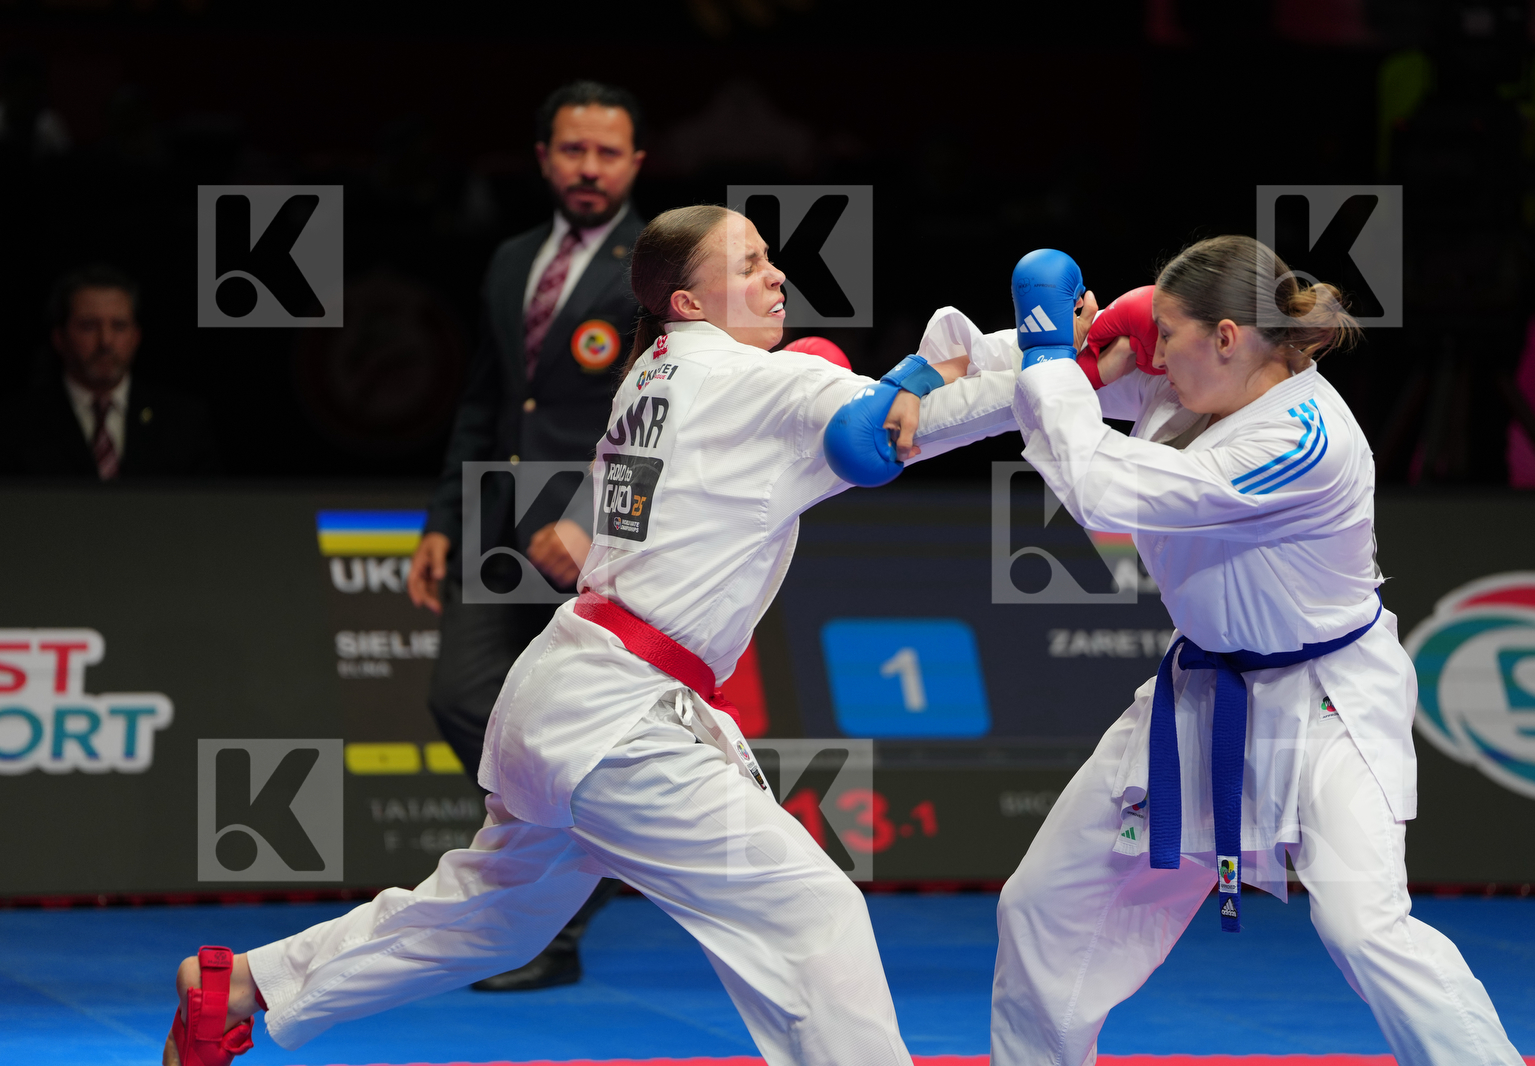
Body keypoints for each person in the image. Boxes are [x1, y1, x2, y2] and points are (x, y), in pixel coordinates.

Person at [160, 204, 1022, 1066]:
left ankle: (240, 984)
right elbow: (908, 425)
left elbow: (893, 403)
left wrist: (1040, 352)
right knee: (809, 910)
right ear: (687, 303)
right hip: (622, 722)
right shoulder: (747, 380)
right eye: (751, 262)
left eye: (772, 260)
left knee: (491, 918)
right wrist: (1061, 369)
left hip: (569, 693)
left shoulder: (653, 372)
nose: (777, 277)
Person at [986, 237, 1524, 1065]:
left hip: (1324, 702)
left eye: (1170, 334)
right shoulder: (1191, 381)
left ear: (1229, 337)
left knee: (1362, 925)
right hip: (1197, 695)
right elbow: (1043, 408)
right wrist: (1031, 361)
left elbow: (1098, 488)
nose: (1156, 354)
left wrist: (1056, 352)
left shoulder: (1304, 440)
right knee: (1043, 905)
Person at [404, 79, 648, 992]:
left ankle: (557, 919)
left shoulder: (659, 262)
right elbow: (484, 402)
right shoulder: (511, 258)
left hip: (598, 535)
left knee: (569, 718)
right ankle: (592, 847)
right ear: (544, 157)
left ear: (636, 164)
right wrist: (441, 524)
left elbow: (658, 410)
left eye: (608, 152)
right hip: (497, 523)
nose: (589, 168)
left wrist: (588, 519)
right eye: (573, 150)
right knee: (462, 697)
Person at [0, 264, 217, 478]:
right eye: (89, 326)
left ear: (136, 337)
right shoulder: (15, 425)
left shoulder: (183, 422)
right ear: (59, 338)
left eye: (119, 326)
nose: (106, 341)